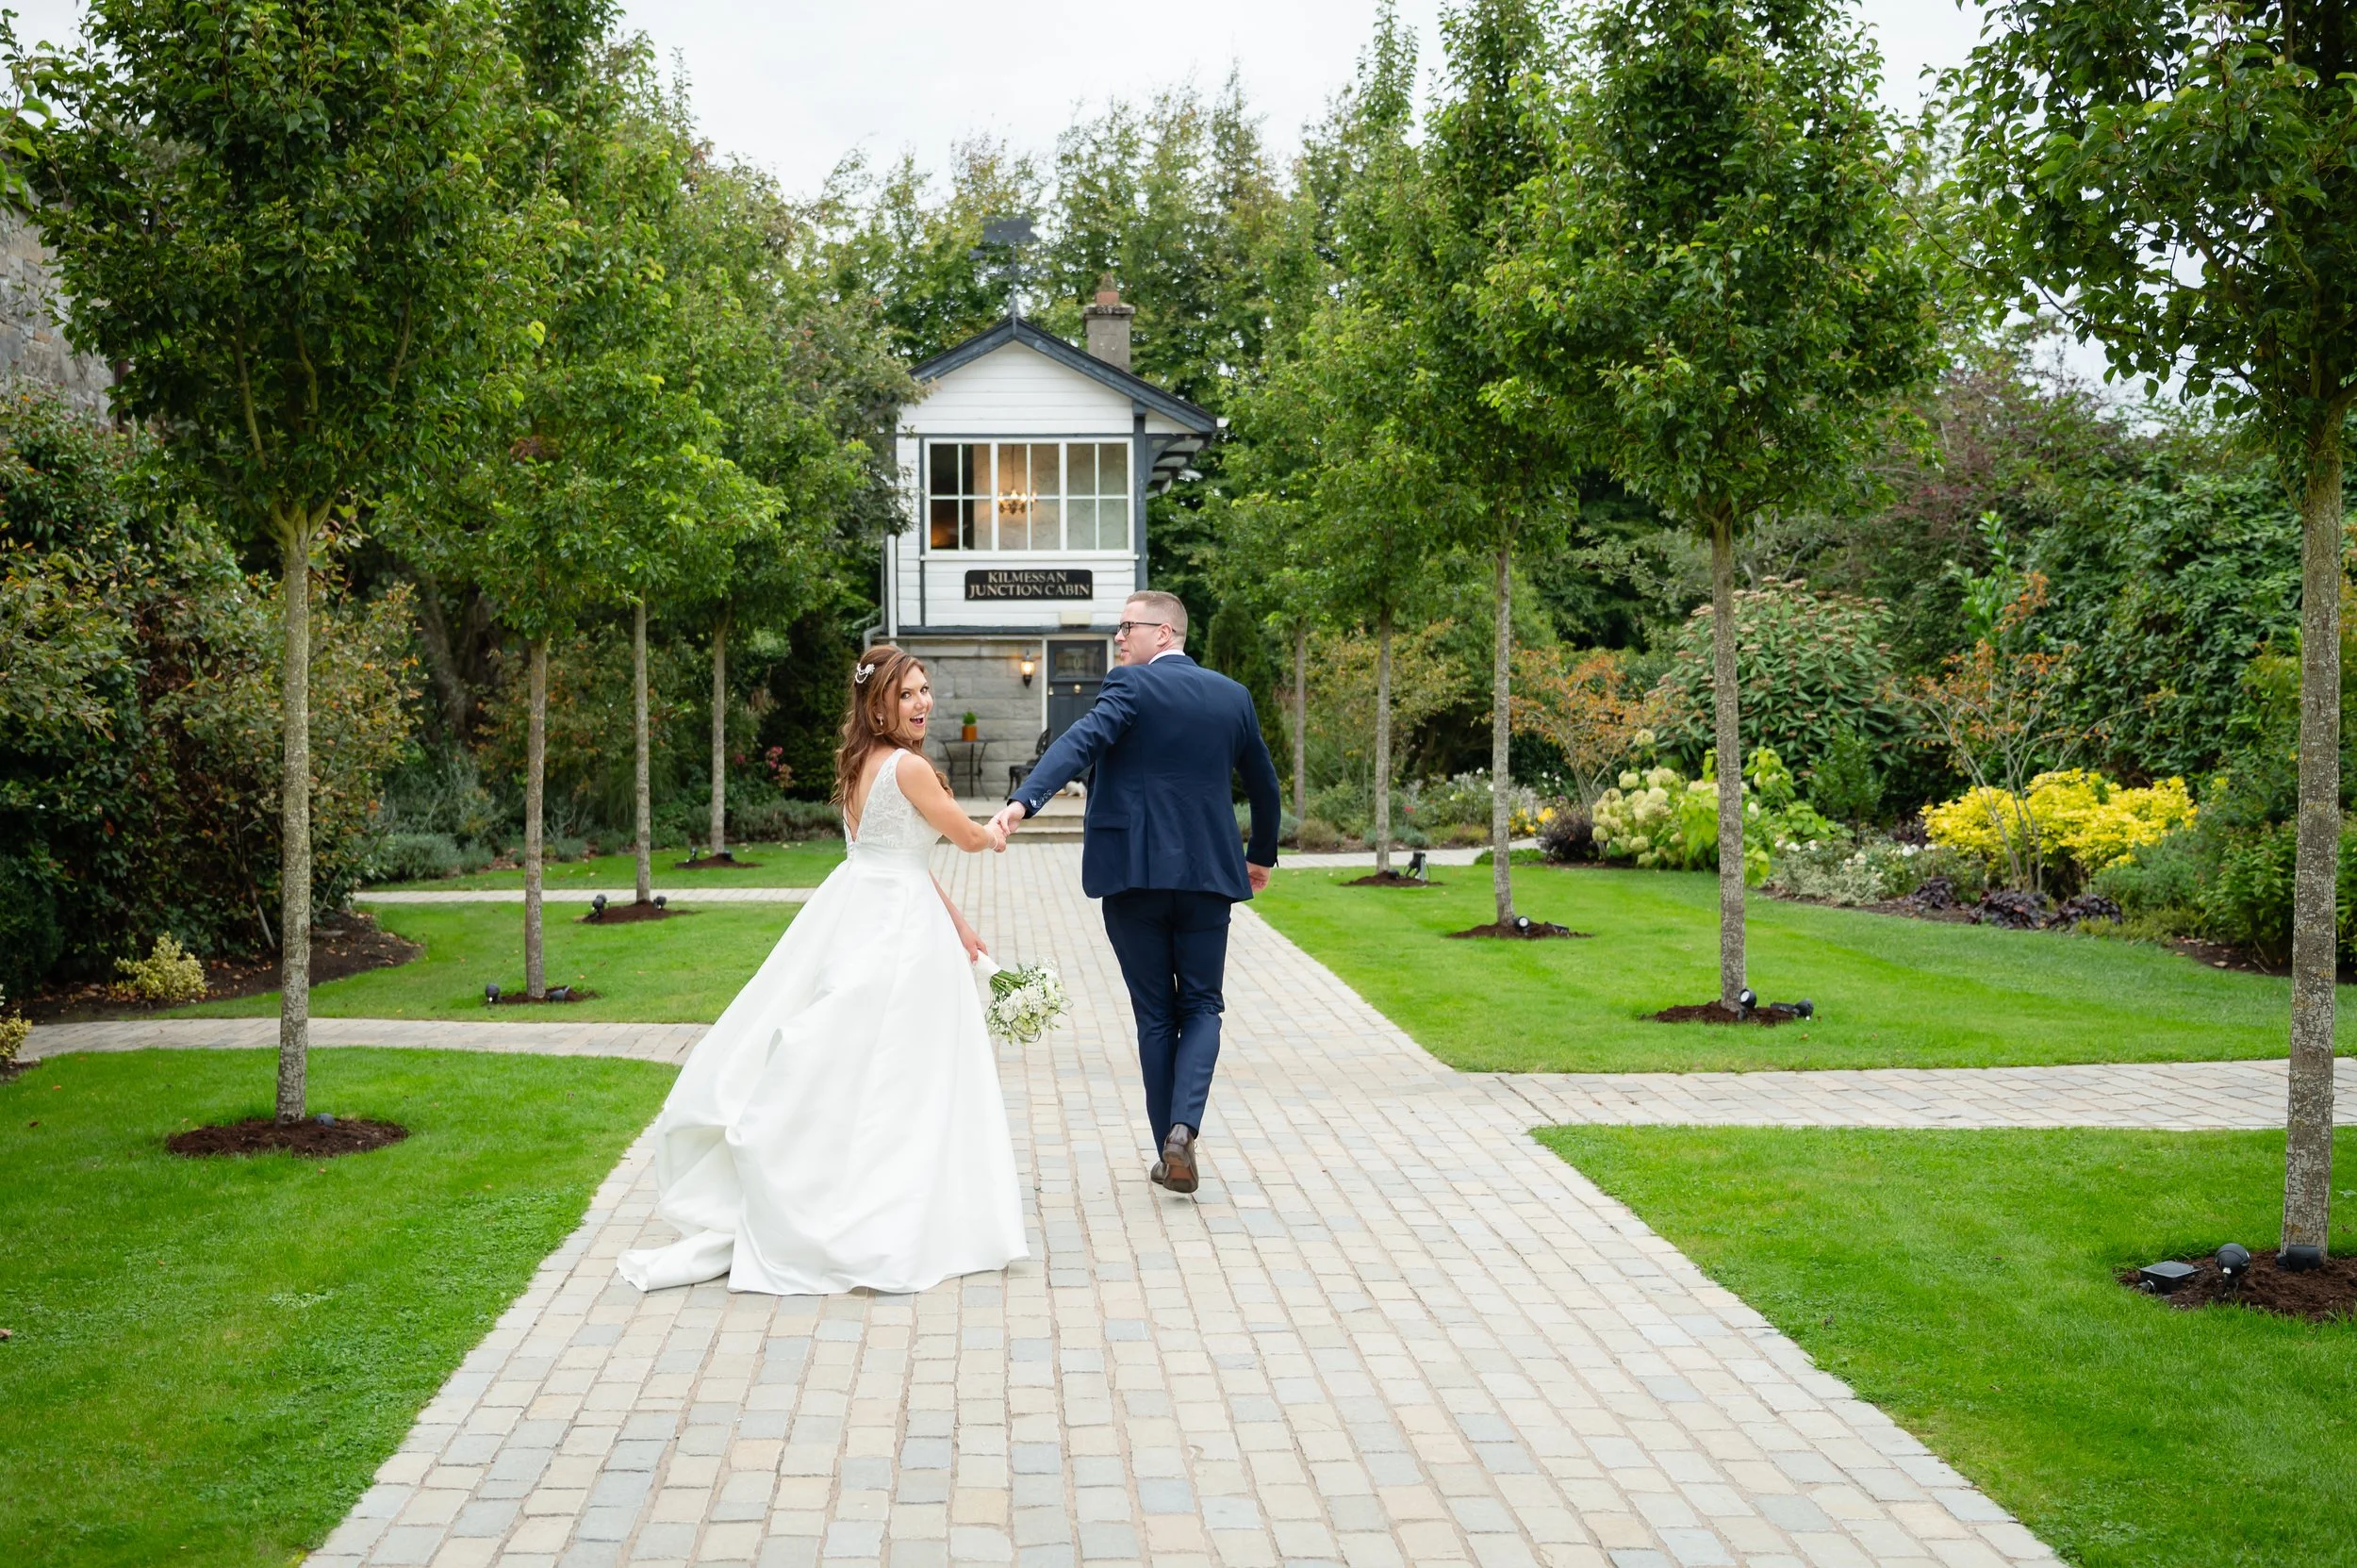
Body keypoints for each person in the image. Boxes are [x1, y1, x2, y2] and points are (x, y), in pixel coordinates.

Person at [618, 646, 1027, 1296]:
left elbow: (899, 857)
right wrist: (1004, 822)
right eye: (908, 694)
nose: (922, 702)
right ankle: (889, 1212)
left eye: (925, 690)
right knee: (904, 1069)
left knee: (865, 1062)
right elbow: (968, 839)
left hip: (867, 908)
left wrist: (961, 925)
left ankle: (863, 1188)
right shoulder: (910, 768)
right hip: (898, 930)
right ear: (879, 703)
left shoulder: (860, 763)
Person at [993, 590, 1280, 1195]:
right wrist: (1259, 857)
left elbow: (1078, 743)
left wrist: (1025, 801)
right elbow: (1264, 782)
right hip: (1207, 877)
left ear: (1166, 633)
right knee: (1202, 1006)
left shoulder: (1129, 687)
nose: (1119, 638)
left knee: (1155, 1016)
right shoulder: (1233, 697)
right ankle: (1183, 1132)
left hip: (1134, 876)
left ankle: (1167, 1150)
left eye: (1128, 627)